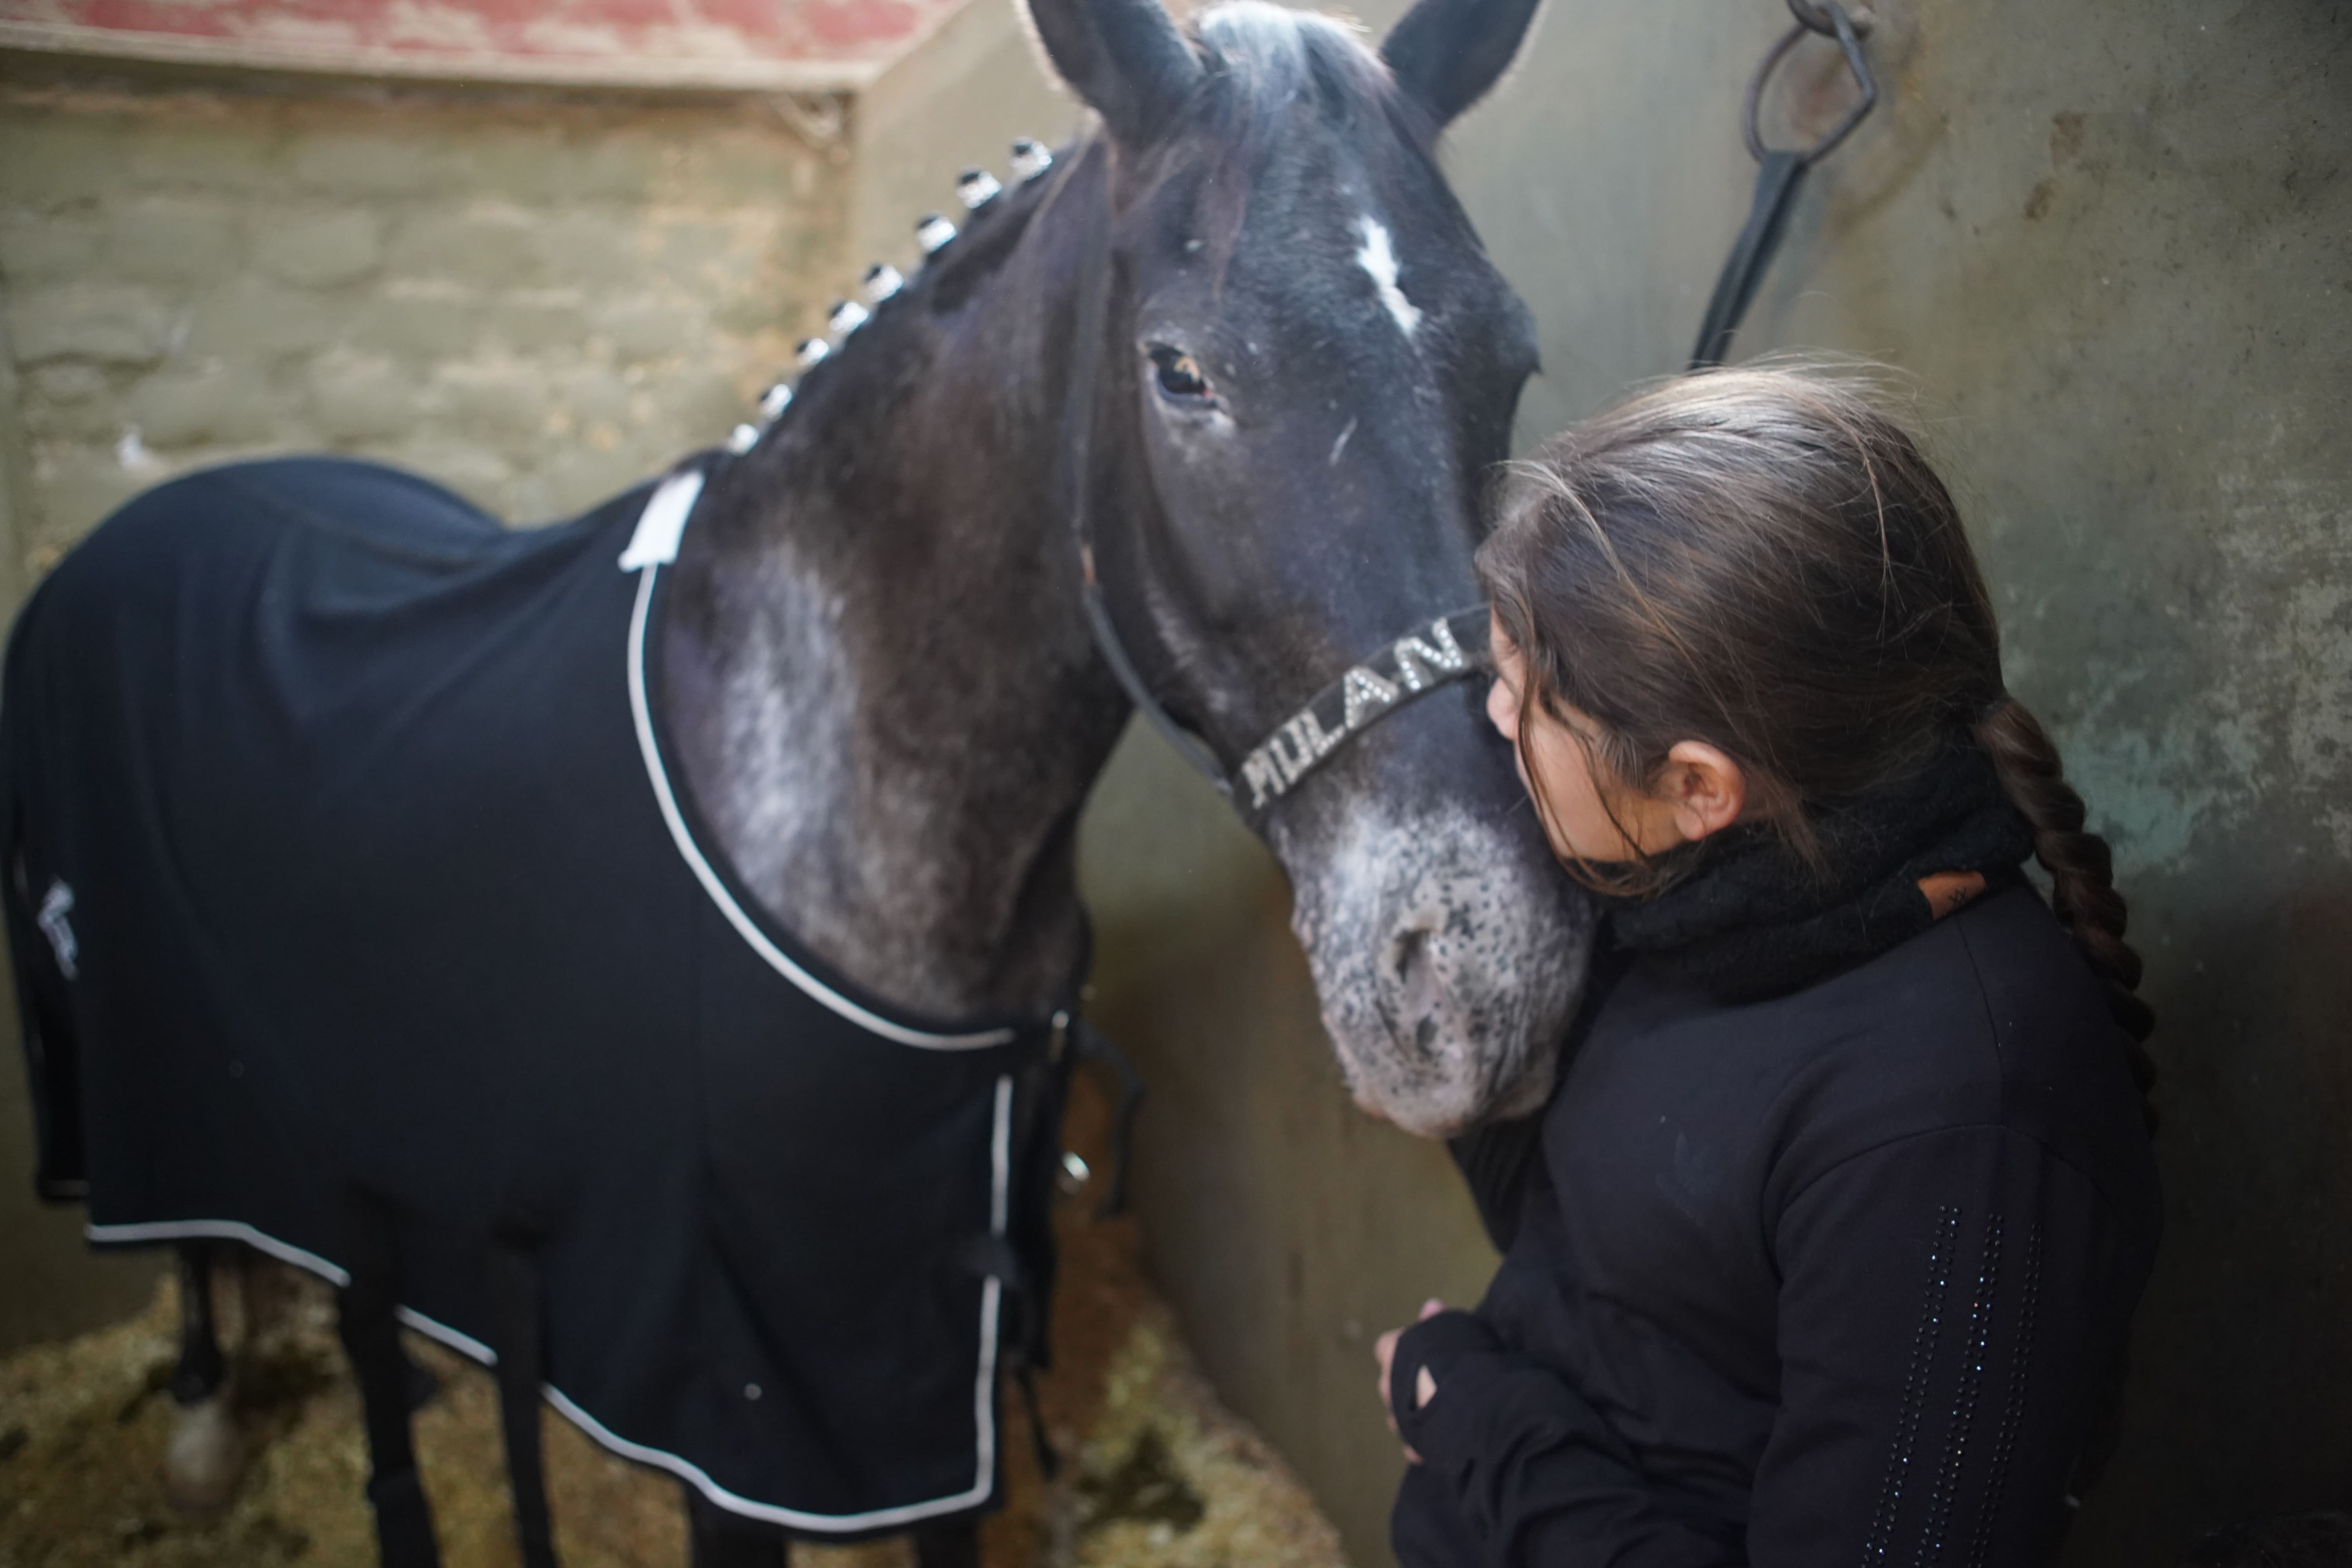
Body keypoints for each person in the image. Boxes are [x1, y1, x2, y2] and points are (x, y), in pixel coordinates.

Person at [1372, 367, 2162, 1565]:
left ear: (1697, 787)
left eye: (1522, 694)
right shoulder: (1722, 898)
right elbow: (1629, 1252)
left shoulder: (1960, 1129)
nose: (1493, 720)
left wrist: (1475, 1423)